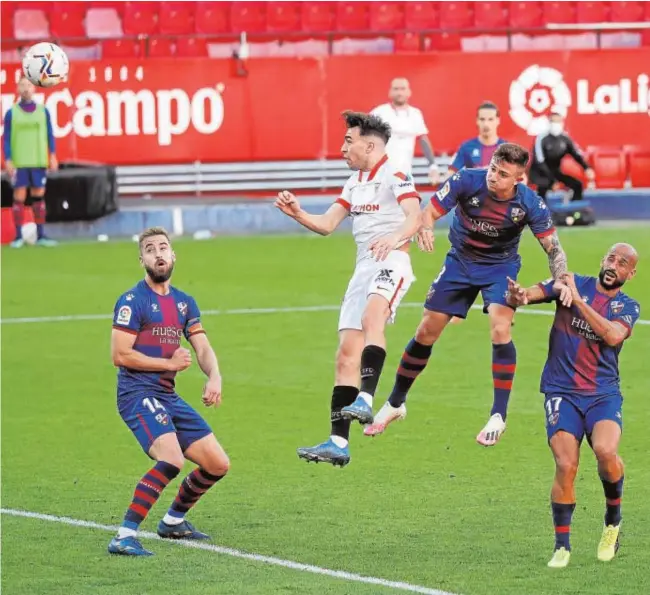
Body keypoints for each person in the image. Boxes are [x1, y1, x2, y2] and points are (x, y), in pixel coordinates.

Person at [365, 143, 568, 446]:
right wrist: (426, 227)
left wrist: (562, 279)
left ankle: (498, 415)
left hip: (500, 267)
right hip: (459, 262)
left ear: (518, 179)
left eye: (503, 174)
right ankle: (396, 403)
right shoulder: (466, 180)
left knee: (500, 326)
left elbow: (554, 248)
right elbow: (429, 212)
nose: (494, 177)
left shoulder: (530, 204)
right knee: (426, 331)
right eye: (493, 169)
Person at [275, 111, 422, 467]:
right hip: (363, 268)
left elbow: (415, 215)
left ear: (369, 144)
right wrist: (298, 213)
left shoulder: (396, 172)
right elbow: (327, 225)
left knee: (375, 315)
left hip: (392, 261)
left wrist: (393, 236)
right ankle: (338, 442)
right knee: (345, 354)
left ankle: (367, 401)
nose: (342, 148)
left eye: (348, 141)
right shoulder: (353, 182)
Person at [506, 243, 640, 568]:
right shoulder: (570, 282)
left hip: (602, 394)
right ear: (602, 259)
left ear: (630, 274)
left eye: (622, 263)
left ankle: (612, 521)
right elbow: (537, 292)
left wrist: (578, 302)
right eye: (610, 258)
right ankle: (562, 545)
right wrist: (520, 296)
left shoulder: (627, 306)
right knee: (566, 465)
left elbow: (612, 336)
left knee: (606, 452)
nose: (613, 265)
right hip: (561, 391)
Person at [108, 227, 229, 556]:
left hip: (166, 396)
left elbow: (201, 347)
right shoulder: (132, 302)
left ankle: (173, 521)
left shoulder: (184, 303)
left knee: (217, 464)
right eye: (150, 249)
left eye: (163, 247)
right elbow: (120, 355)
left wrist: (215, 375)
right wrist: (168, 364)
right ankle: (124, 535)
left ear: (174, 255)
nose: (158, 254)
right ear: (142, 260)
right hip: (136, 394)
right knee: (172, 459)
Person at [3, 75, 58, 247]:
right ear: (18, 88)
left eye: (29, 85)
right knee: (19, 197)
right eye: (22, 85)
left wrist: (53, 155)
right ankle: (18, 237)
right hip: (20, 161)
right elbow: (6, 138)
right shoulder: (11, 112)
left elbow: (50, 134)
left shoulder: (43, 111)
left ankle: (41, 235)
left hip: (38, 160)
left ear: (34, 88)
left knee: (38, 197)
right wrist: (8, 159)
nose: (26, 88)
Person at [371, 78, 439, 185]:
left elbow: (423, 139)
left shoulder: (415, 114)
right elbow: (362, 136)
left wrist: (433, 166)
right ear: (390, 92)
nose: (399, 92)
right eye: (396, 89)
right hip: (379, 176)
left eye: (403, 89)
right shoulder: (379, 112)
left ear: (409, 92)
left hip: (405, 175)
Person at [529, 112, 595, 202]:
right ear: (549, 123)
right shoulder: (541, 138)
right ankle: (541, 213)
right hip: (540, 173)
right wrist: (552, 181)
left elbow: (576, 154)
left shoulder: (565, 138)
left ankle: (573, 212)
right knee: (543, 188)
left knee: (577, 185)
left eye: (558, 121)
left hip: (556, 172)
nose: (556, 124)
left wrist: (586, 168)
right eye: (553, 121)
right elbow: (539, 162)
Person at [446, 101, 507, 178]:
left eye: (490, 119)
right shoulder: (466, 147)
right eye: (482, 119)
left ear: (498, 120)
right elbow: (450, 174)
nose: (486, 124)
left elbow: (521, 178)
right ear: (477, 120)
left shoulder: (507, 149)